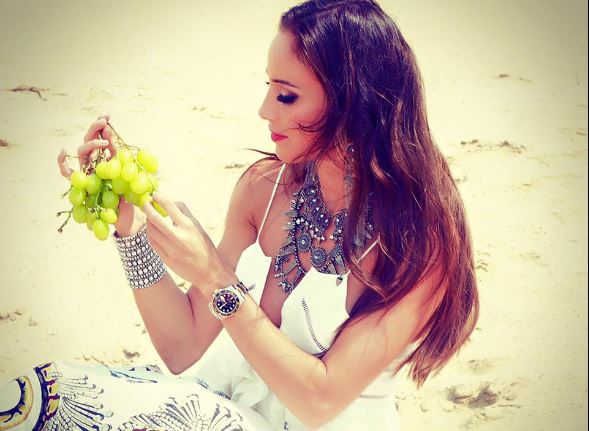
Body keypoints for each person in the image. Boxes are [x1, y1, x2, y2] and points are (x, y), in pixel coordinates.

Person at [0, 0, 479, 430]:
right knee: (46, 395)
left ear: (353, 101)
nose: (264, 110)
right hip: (224, 411)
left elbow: (320, 399)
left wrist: (215, 279)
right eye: (269, 87)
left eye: (286, 95)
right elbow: (182, 346)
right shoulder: (263, 190)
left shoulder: (420, 238)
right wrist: (131, 232)